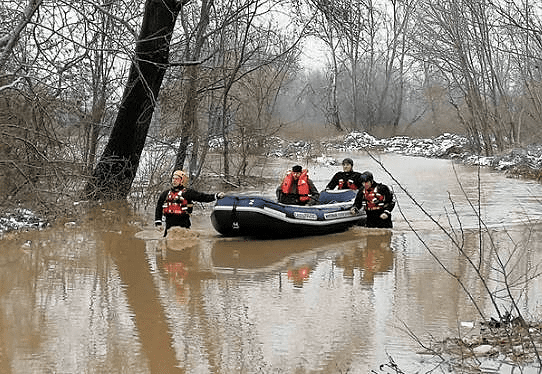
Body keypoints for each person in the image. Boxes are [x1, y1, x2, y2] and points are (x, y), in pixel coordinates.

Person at [155, 170, 225, 236]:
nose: (174, 181)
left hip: (184, 224)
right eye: (173, 178)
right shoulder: (165, 194)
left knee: (184, 244)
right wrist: (158, 222)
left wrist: (216, 196)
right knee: (168, 244)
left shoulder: (188, 193)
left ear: (182, 181)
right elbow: (159, 207)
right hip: (169, 226)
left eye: (177, 179)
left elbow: (202, 197)